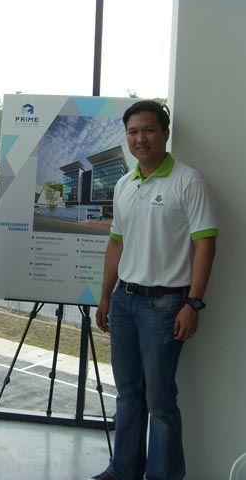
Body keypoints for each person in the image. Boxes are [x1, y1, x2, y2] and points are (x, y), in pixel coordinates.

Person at [93, 100, 218, 480]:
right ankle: (123, 470)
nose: (140, 138)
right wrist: (105, 296)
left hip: (165, 305)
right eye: (133, 132)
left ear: (165, 133)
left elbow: (205, 244)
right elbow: (116, 244)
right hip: (125, 301)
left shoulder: (187, 180)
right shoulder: (124, 184)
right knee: (128, 393)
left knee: (160, 401)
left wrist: (193, 303)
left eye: (148, 130)